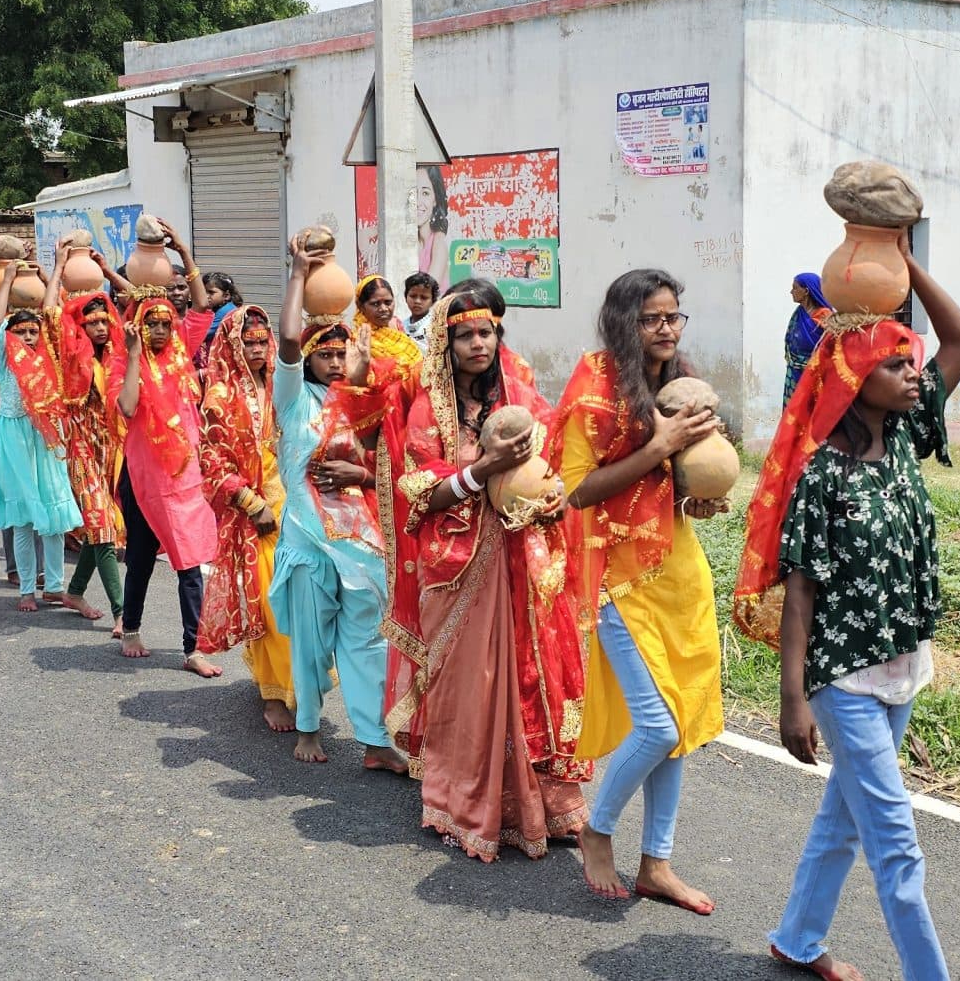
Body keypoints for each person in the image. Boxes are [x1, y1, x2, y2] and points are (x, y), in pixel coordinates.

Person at [737, 251, 960, 978]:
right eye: (896, 365)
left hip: (903, 661)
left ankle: (798, 938)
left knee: (845, 820)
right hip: (842, 678)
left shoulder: (904, 437)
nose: (914, 375)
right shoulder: (822, 475)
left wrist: (906, 262)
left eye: (912, 365)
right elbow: (801, 594)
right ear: (852, 378)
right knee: (896, 842)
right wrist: (791, 703)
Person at [384, 279, 589, 862]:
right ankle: (468, 805)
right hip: (459, 564)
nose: (478, 343)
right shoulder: (429, 406)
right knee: (473, 685)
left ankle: (545, 805)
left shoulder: (520, 392)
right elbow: (419, 491)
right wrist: (483, 469)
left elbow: (553, 462)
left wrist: (551, 496)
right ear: (446, 345)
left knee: (529, 676)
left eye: (487, 332)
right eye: (466, 335)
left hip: (523, 562)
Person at [554, 269, 733, 914]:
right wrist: (659, 445)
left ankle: (657, 862)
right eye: (652, 318)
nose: (666, 329)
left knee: (679, 723)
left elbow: (677, 487)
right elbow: (577, 491)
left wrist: (696, 491)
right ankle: (598, 829)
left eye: (674, 316)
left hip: (681, 571)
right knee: (656, 726)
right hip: (616, 577)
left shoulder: (678, 387)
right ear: (623, 323)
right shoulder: (594, 389)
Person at [271, 243, 404, 770]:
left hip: (360, 541)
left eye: (340, 354)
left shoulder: (362, 403)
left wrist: (362, 474)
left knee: (367, 640)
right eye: (322, 354)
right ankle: (308, 727)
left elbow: (388, 468)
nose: (332, 362)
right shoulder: (293, 398)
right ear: (307, 360)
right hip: (308, 539)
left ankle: (374, 742)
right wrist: (299, 273)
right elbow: (285, 338)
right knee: (308, 638)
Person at [198, 303, 299, 730]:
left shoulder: (282, 385)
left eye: (263, 342)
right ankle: (273, 694)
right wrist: (250, 504)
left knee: (299, 600)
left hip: (296, 506)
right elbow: (211, 459)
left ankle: (295, 682)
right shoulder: (221, 395)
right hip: (256, 513)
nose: (258, 350)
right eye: (249, 343)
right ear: (233, 345)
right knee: (269, 604)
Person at [114, 288, 221, 673]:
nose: (160, 330)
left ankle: (193, 648)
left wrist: (182, 250)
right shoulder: (124, 362)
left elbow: (201, 309)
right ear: (138, 328)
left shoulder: (181, 353)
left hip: (186, 478)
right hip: (145, 478)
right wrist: (133, 355)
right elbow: (127, 407)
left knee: (189, 564)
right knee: (140, 559)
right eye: (151, 324)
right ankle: (131, 629)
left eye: (164, 324)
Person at [0, 298, 82, 610]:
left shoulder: (48, 362)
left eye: (33, 331)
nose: (28, 337)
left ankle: (53, 586)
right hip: (14, 442)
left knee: (54, 515)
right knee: (22, 520)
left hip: (46, 440)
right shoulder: (3, 360)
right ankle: (25, 589)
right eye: (20, 331)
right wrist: (8, 276)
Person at [52, 284, 128, 626]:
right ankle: (122, 614)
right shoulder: (71, 358)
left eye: (103, 321)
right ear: (79, 328)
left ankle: (75, 590)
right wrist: (57, 268)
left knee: (100, 529)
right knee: (103, 528)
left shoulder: (117, 356)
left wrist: (111, 273)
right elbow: (53, 315)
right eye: (91, 323)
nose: (99, 328)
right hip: (80, 449)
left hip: (111, 451)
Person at [352, 274, 423, 391]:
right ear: (361, 306)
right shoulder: (359, 339)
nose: (384, 309)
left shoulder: (397, 325)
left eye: (388, 302)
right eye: (375, 303)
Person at [780, 273, 827, 402]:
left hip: (815, 373)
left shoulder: (825, 316)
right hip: (794, 371)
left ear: (806, 291)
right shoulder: (798, 313)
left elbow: (832, 346)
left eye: (795, 288)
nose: (791, 292)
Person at [402, 271, 439, 340]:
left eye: (424, 297)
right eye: (413, 296)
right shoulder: (401, 326)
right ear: (406, 297)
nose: (417, 301)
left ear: (433, 301)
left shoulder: (436, 326)